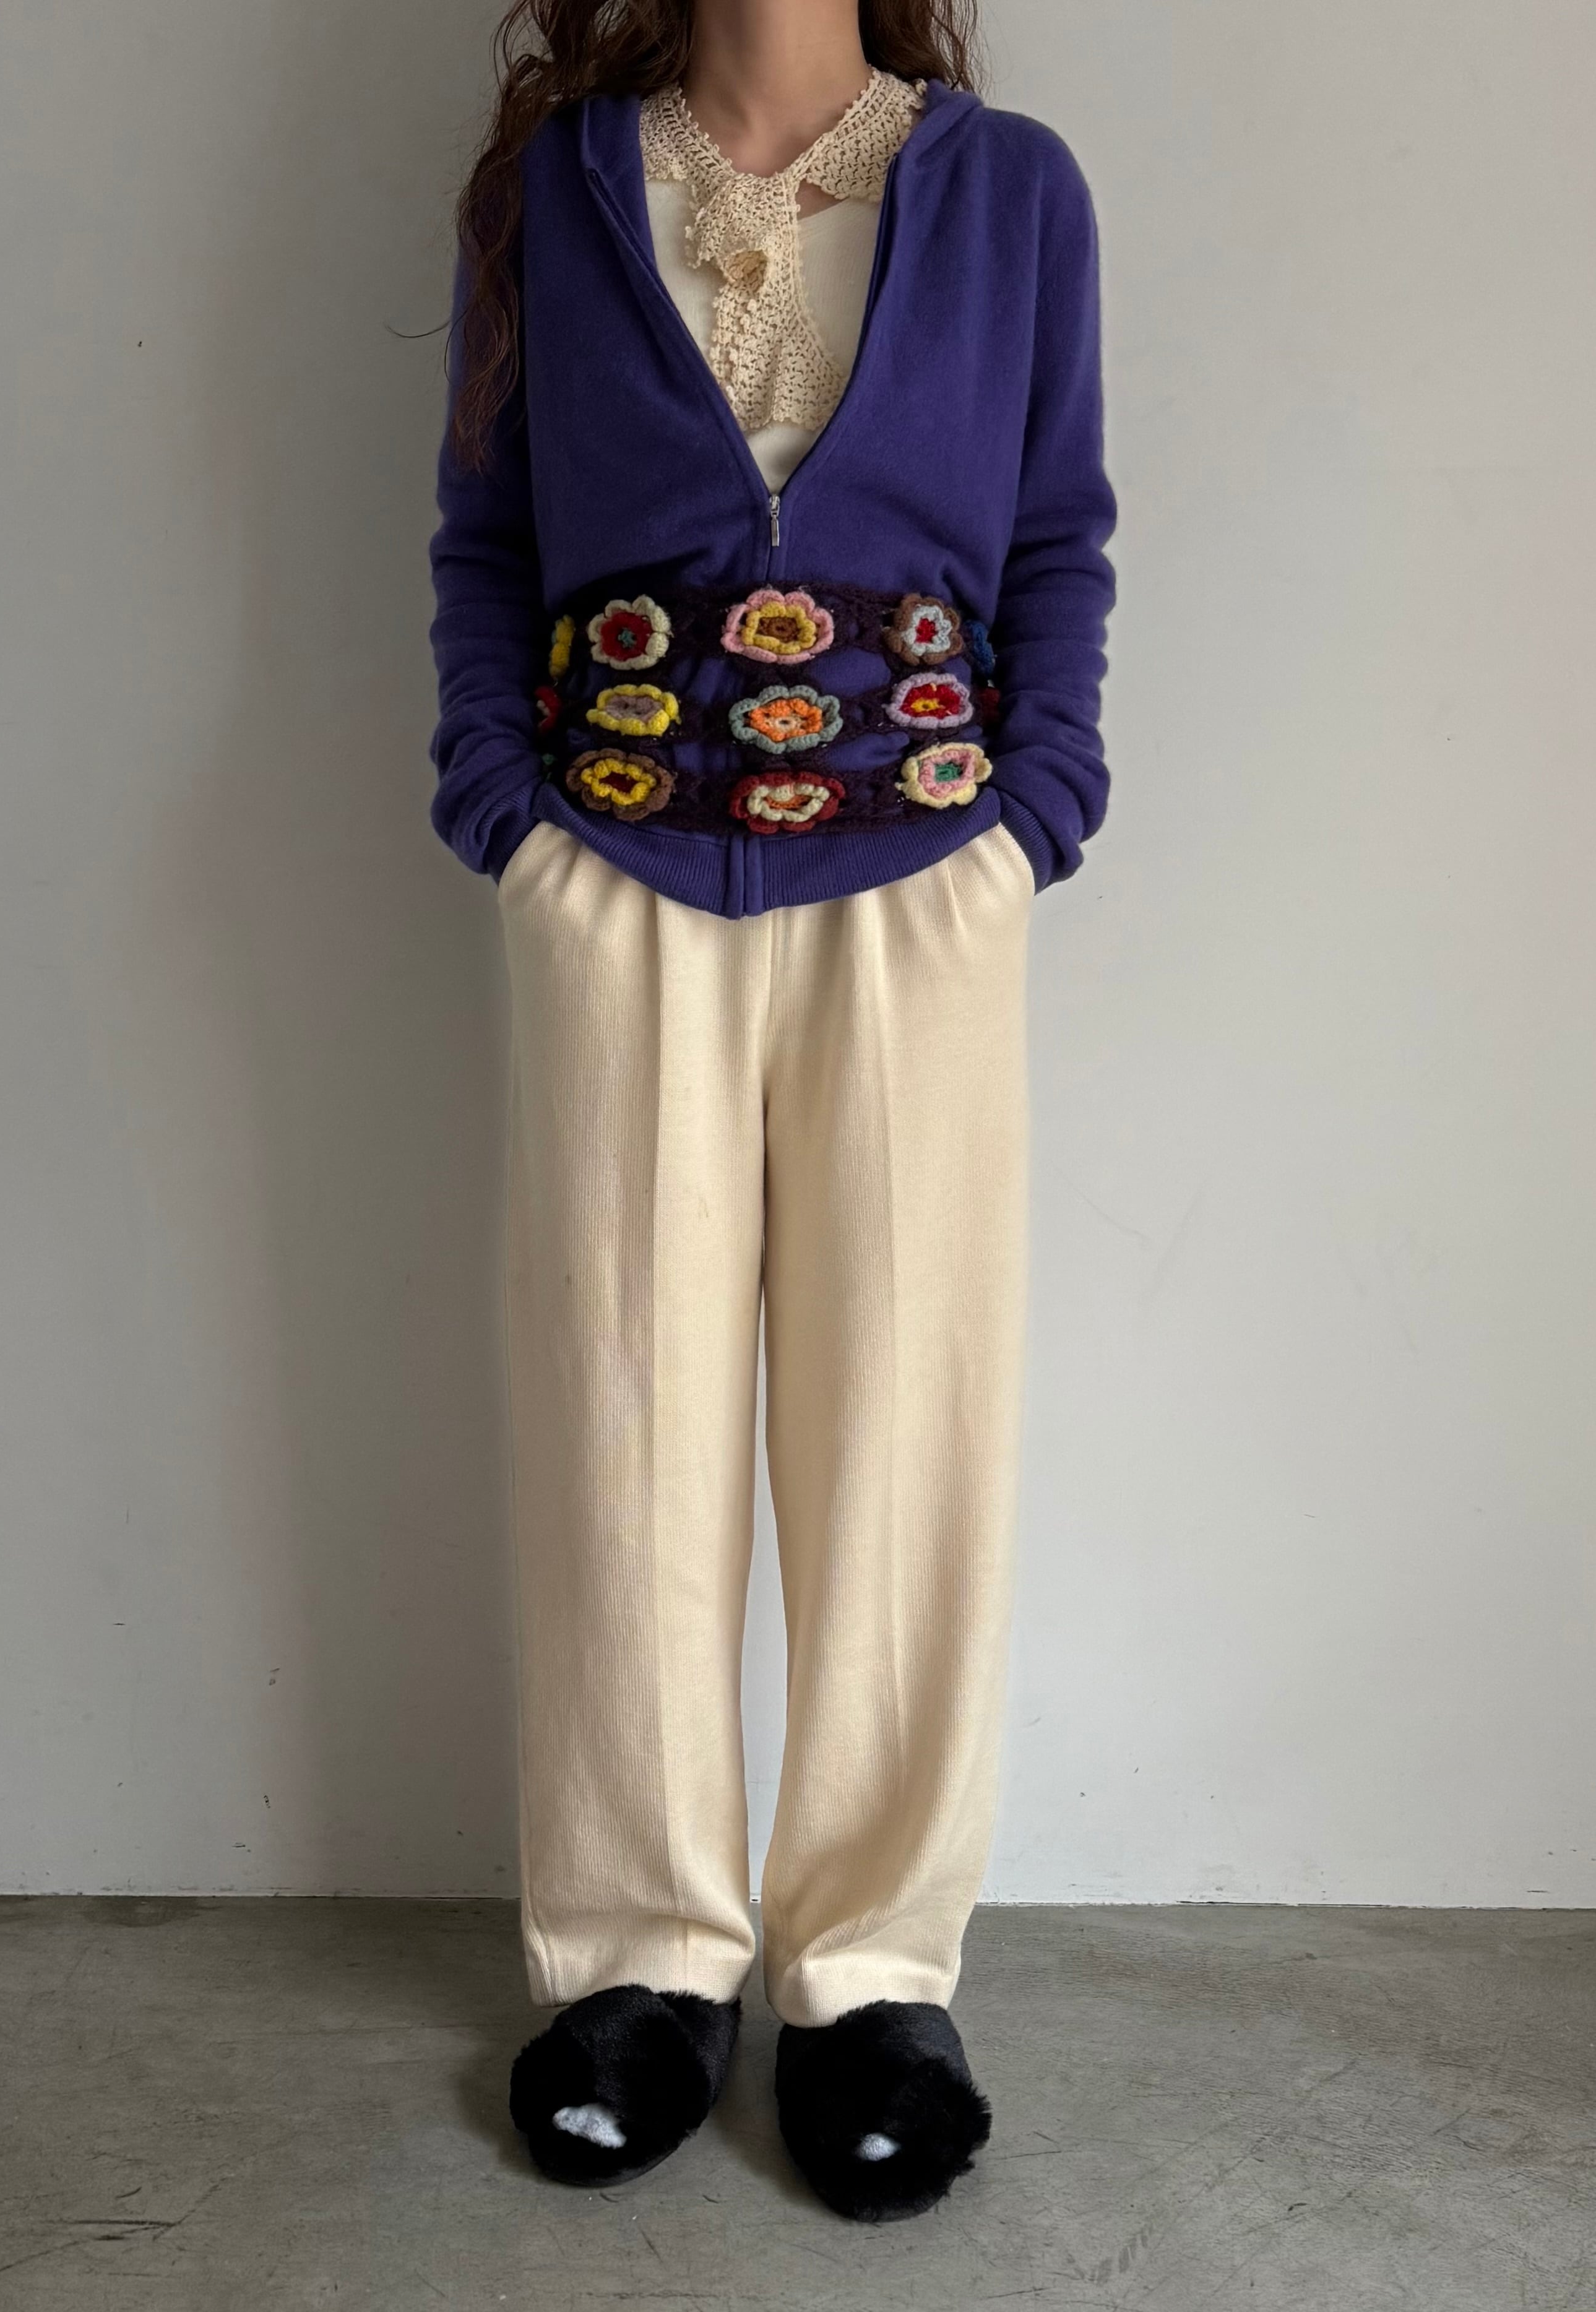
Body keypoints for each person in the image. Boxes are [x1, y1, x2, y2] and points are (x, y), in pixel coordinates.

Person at [427, 0, 1116, 2223]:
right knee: (618, 1413)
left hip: (925, 885)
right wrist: (507, 820)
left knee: (909, 1421)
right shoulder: (554, 193)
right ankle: (641, 1955)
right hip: (614, 878)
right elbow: (484, 538)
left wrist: (1033, 818)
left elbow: (1057, 539)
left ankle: (873, 1974)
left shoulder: (1008, 194)